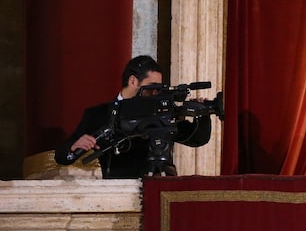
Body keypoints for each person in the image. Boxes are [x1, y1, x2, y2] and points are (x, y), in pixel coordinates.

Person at [54, 55, 213, 178]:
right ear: (133, 81)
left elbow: (197, 139)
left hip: (159, 189)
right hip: (117, 194)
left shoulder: (161, 111)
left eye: (159, 88)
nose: (156, 93)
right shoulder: (99, 114)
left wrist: (203, 114)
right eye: (152, 87)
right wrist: (74, 147)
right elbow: (63, 157)